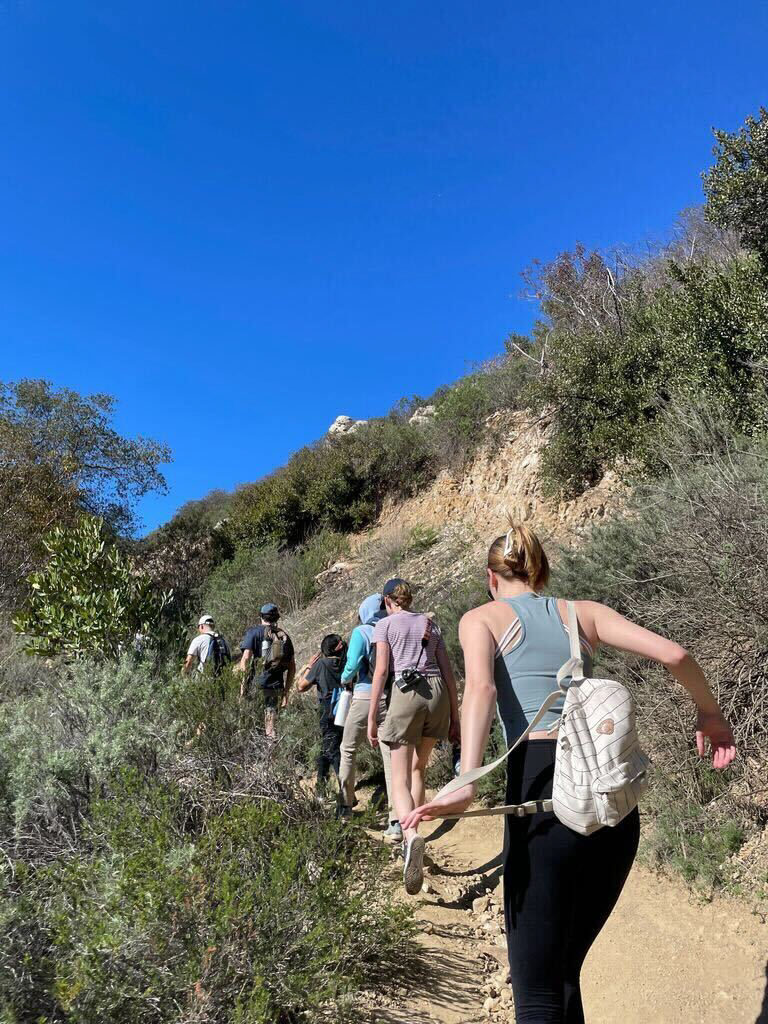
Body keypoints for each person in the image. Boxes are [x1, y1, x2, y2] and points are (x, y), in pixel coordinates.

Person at [402, 521, 737, 1024]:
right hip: (613, 809)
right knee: (563, 974)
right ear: (541, 572)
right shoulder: (584, 615)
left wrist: (465, 783)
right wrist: (710, 716)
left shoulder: (482, 619)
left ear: (491, 578)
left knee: (537, 992)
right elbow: (676, 654)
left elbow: (481, 692)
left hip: (543, 800)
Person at [368, 578, 460, 894]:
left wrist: (372, 717)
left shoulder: (385, 626)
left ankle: (409, 837)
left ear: (386, 601)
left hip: (405, 693)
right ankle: (416, 831)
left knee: (398, 779)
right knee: (418, 769)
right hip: (436, 694)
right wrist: (455, 718)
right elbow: (448, 673)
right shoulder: (430, 625)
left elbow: (381, 672)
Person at [337, 594, 399, 838]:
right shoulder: (392, 626)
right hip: (392, 697)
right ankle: (396, 819)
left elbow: (352, 664)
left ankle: (344, 806)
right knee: (391, 757)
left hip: (364, 697)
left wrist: (344, 679)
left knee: (348, 749)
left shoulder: (361, 632)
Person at [234, 603, 295, 739]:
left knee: (248, 724)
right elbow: (292, 667)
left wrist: (243, 686)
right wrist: (286, 691)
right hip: (275, 686)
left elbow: (245, 659)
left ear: (261, 616)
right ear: (277, 618)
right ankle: (271, 755)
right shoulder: (283, 636)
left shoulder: (253, 633)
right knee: (270, 727)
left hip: (255, 685)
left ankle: (249, 756)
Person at [297, 633, 347, 799]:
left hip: (327, 708)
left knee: (332, 750)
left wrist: (309, 667)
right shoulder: (347, 663)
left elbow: (301, 686)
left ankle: (346, 793)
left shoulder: (321, 664)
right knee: (327, 748)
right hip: (346, 708)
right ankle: (321, 789)